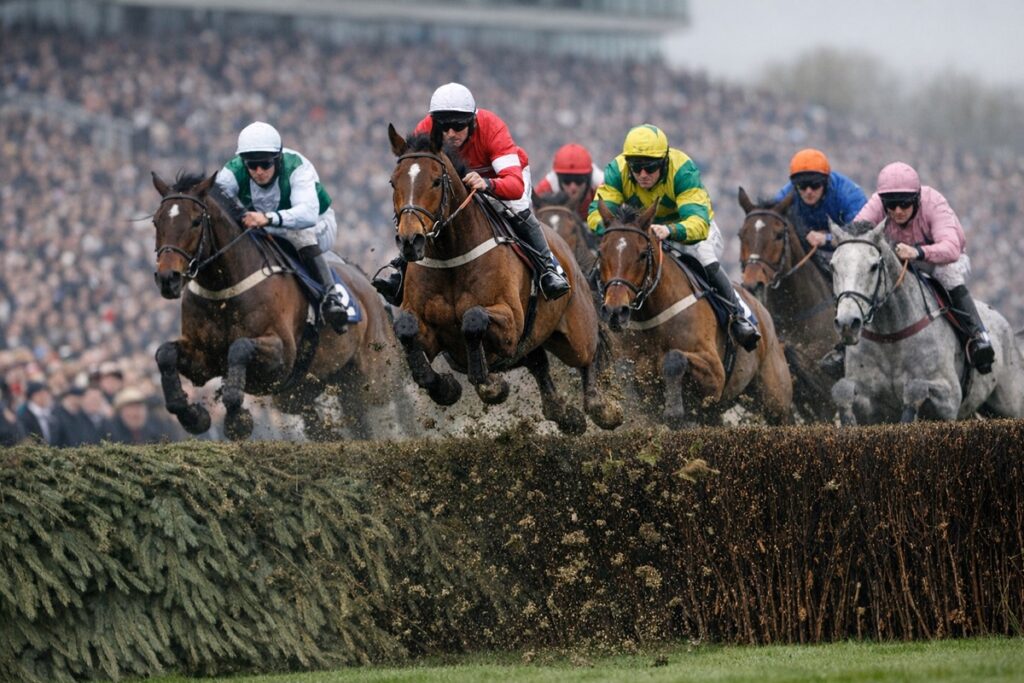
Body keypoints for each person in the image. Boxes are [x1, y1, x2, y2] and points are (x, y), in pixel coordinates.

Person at [372, 82, 570, 303]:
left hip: (499, 177)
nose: (450, 133)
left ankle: (548, 270)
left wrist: (488, 184)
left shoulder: (492, 128)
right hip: (457, 182)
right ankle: (400, 270)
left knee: (516, 210)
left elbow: (515, 186)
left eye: (458, 126)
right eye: (443, 127)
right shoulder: (425, 128)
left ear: (473, 122)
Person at [587, 124, 760, 351]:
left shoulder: (682, 171)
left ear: (664, 161)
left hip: (691, 234)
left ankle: (740, 316)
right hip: (642, 234)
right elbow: (595, 214)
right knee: (609, 258)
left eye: (650, 167)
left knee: (705, 257)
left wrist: (670, 231)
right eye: (636, 168)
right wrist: (616, 231)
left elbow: (698, 223)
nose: (642, 175)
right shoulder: (616, 170)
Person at [823, 161, 995, 376]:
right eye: (891, 204)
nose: (897, 211)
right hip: (899, 256)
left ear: (916, 198)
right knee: (865, 277)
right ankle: (847, 344)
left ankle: (977, 336)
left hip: (938, 258)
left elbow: (950, 249)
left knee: (947, 276)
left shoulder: (934, 203)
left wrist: (918, 253)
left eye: (904, 204)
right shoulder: (878, 202)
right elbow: (857, 234)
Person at [216, 121, 351, 334]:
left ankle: (331, 298)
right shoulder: (232, 172)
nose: (259, 171)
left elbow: (307, 215)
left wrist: (268, 219)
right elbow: (214, 202)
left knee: (299, 233)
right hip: (266, 229)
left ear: (277, 159)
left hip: (317, 226)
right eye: (252, 165)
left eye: (265, 164)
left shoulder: (296, 167)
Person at [772, 148, 867, 275]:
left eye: (815, 185)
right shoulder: (785, 195)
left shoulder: (849, 195)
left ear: (826, 182)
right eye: (802, 186)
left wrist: (826, 238)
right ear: (795, 186)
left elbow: (862, 236)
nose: (809, 191)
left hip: (847, 254)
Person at [534, 143, 604, 221]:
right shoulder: (543, 191)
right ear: (558, 178)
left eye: (579, 179)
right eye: (566, 180)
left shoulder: (604, 188)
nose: (573, 187)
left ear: (589, 177)